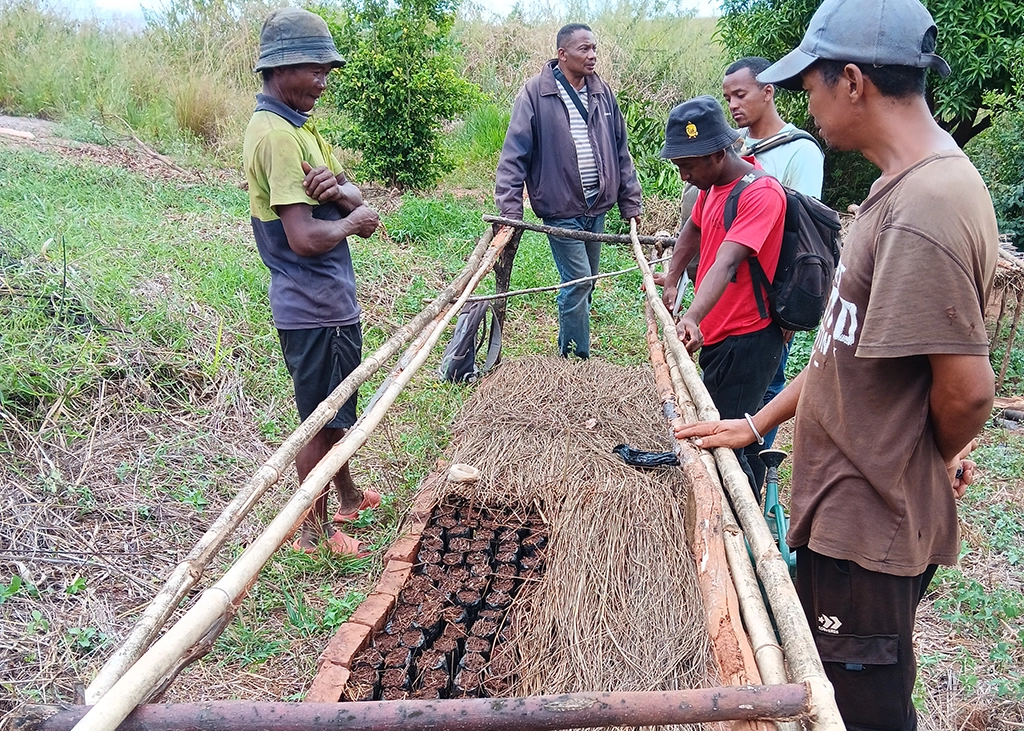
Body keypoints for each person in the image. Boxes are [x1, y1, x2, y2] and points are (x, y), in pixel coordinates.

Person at [675, 0, 998, 727]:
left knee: (864, 710)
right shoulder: (897, 187)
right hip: (846, 511)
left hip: (869, 527)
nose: (806, 105)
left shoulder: (928, 206)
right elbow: (842, 354)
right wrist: (755, 422)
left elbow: (970, 392)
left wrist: (919, 452)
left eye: (811, 86)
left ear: (851, 81)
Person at [244, 8, 382, 556]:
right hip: (312, 304)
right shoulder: (276, 136)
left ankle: (345, 494)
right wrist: (350, 220)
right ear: (282, 68)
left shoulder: (300, 126)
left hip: (329, 298)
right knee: (319, 419)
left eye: (328, 71)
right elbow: (302, 237)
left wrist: (345, 198)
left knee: (338, 405)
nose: (324, 82)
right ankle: (312, 533)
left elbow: (349, 192)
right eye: (315, 70)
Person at [658, 95, 786, 497]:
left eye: (688, 166)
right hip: (718, 330)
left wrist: (692, 316)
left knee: (731, 440)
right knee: (713, 418)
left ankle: (742, 525)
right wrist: (673, 276)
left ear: (716, 153)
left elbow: (728, 263)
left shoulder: (760, 193)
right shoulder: (712, 187)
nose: (683, 176)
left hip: (748, 339)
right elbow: (693, 231)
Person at [495, 23, 642, 359]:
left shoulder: (602, 92)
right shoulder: (535, 93)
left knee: (586, 283)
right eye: (584, 49)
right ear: (563, 54)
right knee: (578, 282)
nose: (592, 56)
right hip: (561, 208)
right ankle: (577, 363)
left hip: (597, 206)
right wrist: (510, 210)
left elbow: (621, 150)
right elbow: (514, 155)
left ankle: (568, 350)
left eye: (594, 49)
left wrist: (630, 199)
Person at [724, 55, 826, 452]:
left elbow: (803, 235)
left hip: (769, 294)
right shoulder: (733, 146)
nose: (733, 104)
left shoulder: (799, 152)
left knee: (766, 383)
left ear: (768, 92)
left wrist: (789, 310)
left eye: (741, 94)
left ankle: (756, 466)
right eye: (728, 97)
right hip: (730, 290)